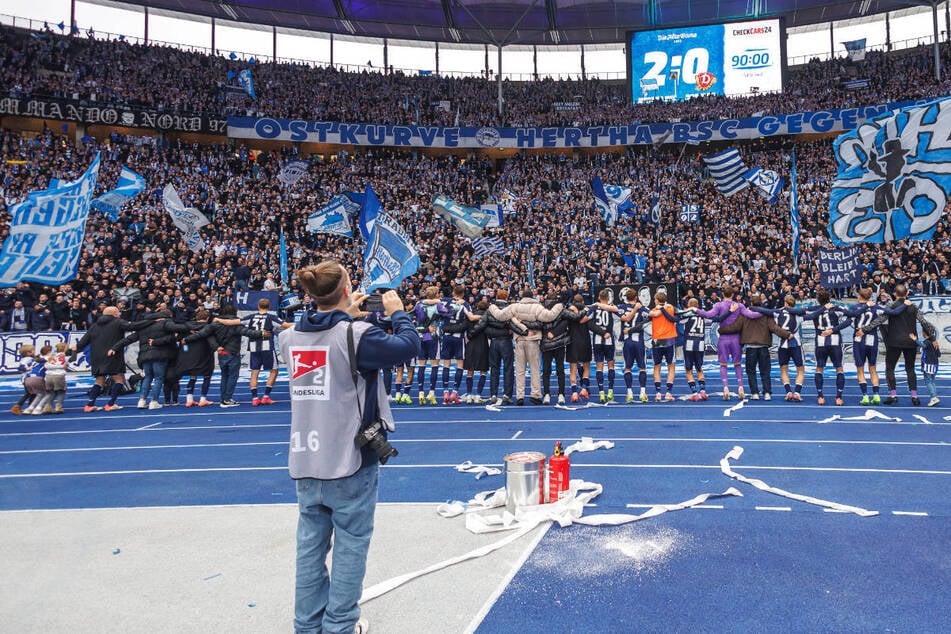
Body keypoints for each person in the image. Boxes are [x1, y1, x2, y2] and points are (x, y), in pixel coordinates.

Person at [279, 260, 419, 634]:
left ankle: (307, 625)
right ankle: (339, 625)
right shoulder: (356, 335)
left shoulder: (289, 338)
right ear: (346, 290)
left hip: (306, 457)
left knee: (309, 548)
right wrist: (398, 312)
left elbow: (321, 336)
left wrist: (345, 315)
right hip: (350, 458)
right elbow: (408, 346)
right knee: (350, 546)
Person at [69, 306, 157, 412]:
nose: (120, 314)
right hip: (113, 354)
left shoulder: (94, 325)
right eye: (118, 312)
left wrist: (72, 352)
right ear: (115, 313)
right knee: (119, 379)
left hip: (97, 356)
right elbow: (133, 326)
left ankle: (89, 405)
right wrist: (152, 321)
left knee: (99, 381)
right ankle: (110, 404)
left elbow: (83, 342)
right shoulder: (117, 322)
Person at [861, 284, 936, 406]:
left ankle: (893, 395)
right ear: (907, 293)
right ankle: (914, 396)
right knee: (910, 369)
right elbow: (924, 322)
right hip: (911, 341)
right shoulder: (913, 306)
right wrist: (932, 338)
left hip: (894, 341)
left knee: (890, 368)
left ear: (894, 294)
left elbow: (879, 320)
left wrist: (864, 329)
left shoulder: (891, 305)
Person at [488, 287, 563, 405]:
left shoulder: (515, 306)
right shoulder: (537, 307)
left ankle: (520, 396)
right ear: (532, 297)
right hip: (533, 340)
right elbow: (549, 316)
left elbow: (500, 316)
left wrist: (491, 306)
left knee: (520, 371)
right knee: (535, 369)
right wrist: (559, 305)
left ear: (522, 297)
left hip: (519, 340)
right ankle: (535, 395)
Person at [184, 305, 266, 407]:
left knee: (224, 376)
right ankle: (227, 399)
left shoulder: (216, 324)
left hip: (222, 352)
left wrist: (186, 339)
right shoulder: (236, 324)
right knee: (232, 376)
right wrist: (262, 333)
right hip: (233, 352)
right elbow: (248, 332)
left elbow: (201, 334)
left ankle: (224, 398)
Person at [717, 294, 792, 401]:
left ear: (751, 303)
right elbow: (774, 328)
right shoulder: (766, 315)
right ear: (760, 303)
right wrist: (787, 335)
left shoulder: (745, 315)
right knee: (765, 371)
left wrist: (721, 329)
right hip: (763, 346)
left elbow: (735, 327)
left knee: (751, 372)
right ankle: (767, 393)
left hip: (751, 347)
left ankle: (754, 393)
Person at [694, 285, 762, 400]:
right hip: (736, 338)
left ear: (722, 294)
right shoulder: (739, 305)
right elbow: (751, 315)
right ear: (733, 295)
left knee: (723, 364)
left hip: (724, 338)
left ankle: (725, 388)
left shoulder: (718, 305)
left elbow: (708, 315)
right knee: (737, 364)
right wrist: (764, 312)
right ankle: (741, 387)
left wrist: (695, 310)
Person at [804, 289, 851, 406]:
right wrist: (834, 329)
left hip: (821, 342)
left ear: (818, 299)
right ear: (829, 298)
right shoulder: (836, 308)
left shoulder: (815, 309)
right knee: (839, 369)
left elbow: (802, 314)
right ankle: (839, 397)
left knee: (819, 368)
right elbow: (850, 319)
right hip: (835, 341)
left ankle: (820, 396)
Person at [242, 298, 289, 406]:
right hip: (267, 347)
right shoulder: (271, 317)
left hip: (254, 347)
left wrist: (218, 320)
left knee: (254, 372)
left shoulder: (251, 317)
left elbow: (234, 322)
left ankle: (255, 398)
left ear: (258, 306)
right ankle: (266, 396)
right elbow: (285, 325)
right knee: (274, 371)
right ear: (269, 306)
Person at [910, 329, 941, 407]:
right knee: (932, 381)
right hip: (935, 363)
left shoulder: (927, 341)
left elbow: (923, 345)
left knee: (928, 381)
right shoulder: (935, 342)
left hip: (928, 364)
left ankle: (933, 397)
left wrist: (915, 340)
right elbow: (939, 354)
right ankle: (934, 396)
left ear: (924, 333)